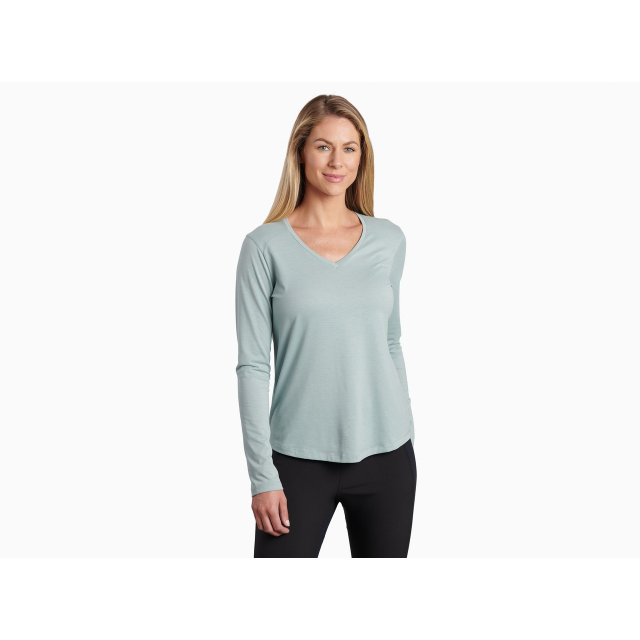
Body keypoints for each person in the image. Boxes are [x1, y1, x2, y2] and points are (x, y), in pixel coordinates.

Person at [235, 94, 417, 558]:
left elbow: (391, 343)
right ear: (300, 151)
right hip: (296, 462)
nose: (337, 161)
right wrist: (262, 475)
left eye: (349, 148)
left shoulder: (388, 239)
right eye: (323, 147)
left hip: (388, 458)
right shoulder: (264, 247)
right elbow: (253, 366)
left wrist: (407, 433)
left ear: (362, 156)